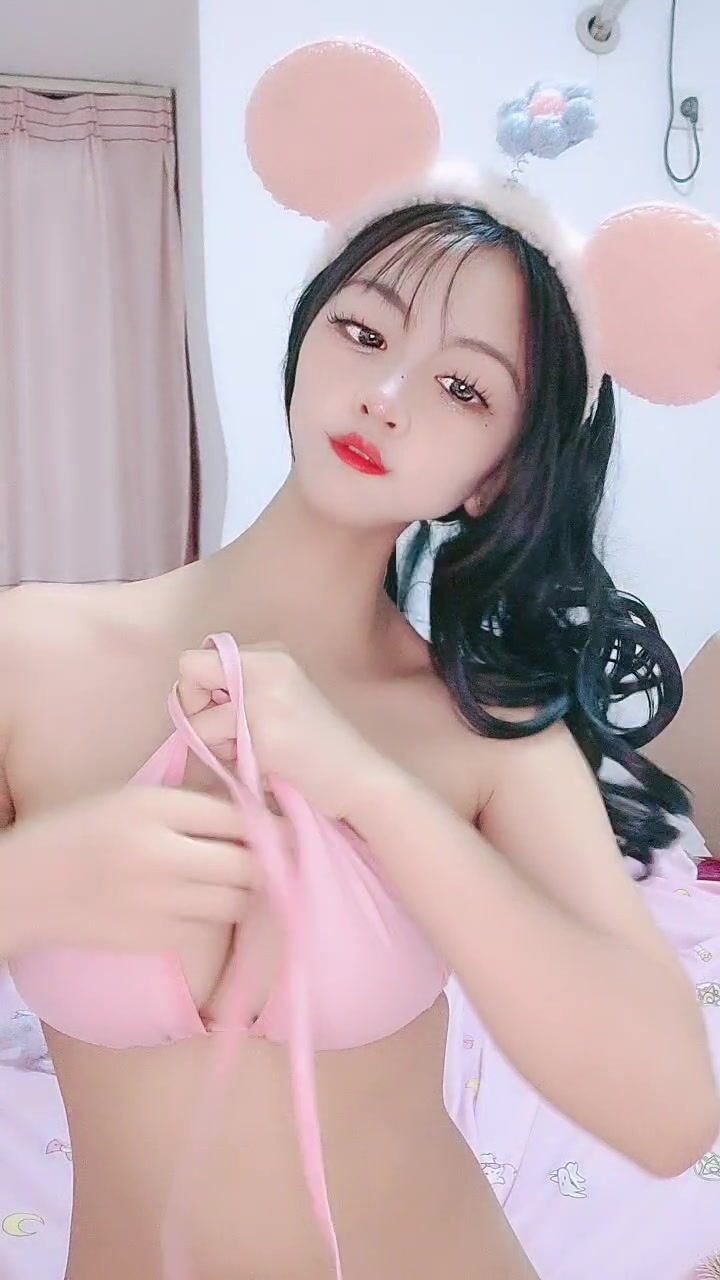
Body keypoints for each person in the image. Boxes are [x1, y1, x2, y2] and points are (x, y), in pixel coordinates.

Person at [2, 41, 720, 1280]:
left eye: (462, 387)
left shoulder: (479, 732)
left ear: (495, 475)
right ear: (305, 341)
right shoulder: (34, 653)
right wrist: (34, 878)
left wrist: (373, 790)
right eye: (362, 326)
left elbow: (670, 1116)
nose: (387, 393)